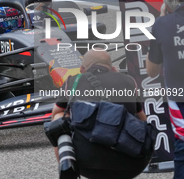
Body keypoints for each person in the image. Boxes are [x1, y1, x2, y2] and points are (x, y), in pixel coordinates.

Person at [51, 49, 150, 179]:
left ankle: (67, 165)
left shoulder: (73, 82)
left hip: (87, 164)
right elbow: (143, 119)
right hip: (132, 163)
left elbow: (56, 113)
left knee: (58, 118)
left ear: (82, 68)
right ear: (112, 68)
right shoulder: (129, 81)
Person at [146, 0, 184, 179]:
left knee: (183, 150)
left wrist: (162, 20)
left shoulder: (162, 24)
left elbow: (151, 71)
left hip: (179, 98)